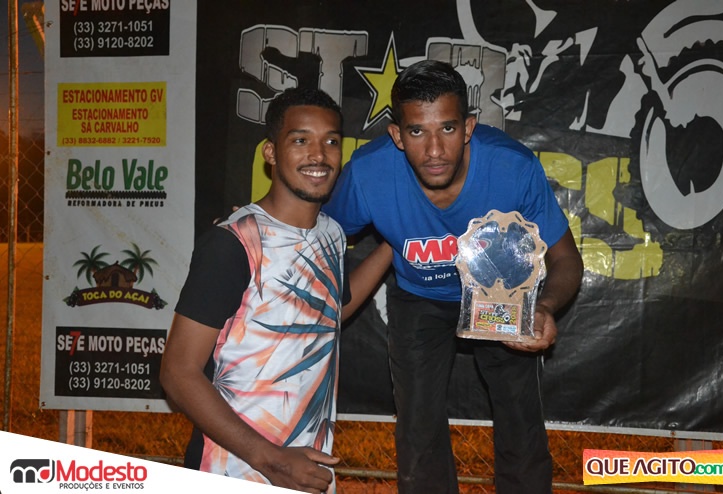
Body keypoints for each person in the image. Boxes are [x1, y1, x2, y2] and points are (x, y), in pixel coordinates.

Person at [322, 60, 584, 493]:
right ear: (396, 135)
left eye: (447, 128)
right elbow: (317, 235)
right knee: (418, 425)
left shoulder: (511, 167)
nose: (434, 150)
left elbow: (566, 259)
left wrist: (546, 306)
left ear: (468, 128)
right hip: (418, 296)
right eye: (417, 132)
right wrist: (259, 226)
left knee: (520, 417)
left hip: (499, 295)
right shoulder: (369, 172)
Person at [160, 87, 391, 494]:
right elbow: (178, 373)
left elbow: (329, 311)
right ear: (270, 152)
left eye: (331, 142)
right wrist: (273, 460)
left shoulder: (332, 234)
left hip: (305, 467)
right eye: (300, 140)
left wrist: (395, 242)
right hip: (233, 468)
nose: (319, 155)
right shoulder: (233, 243)